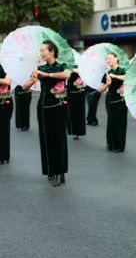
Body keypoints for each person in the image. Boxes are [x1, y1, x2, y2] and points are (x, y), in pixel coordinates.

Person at [22, 40, 71, 186]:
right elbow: (25, 86)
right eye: (40, 50)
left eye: (43, 50)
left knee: (59, 140)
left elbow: (66, 75)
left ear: (52, 52)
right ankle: (50, 170)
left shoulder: (63, 65)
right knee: (46, 140)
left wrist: (47, 75)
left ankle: (60, 172)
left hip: (60, 106)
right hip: (43, 107)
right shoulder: (40, 68)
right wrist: (34, 78)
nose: (41, 53)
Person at [98, 53, 127, 152]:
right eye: (107, 59)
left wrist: (115, 76)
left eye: (110, 58)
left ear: (116, 58)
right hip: (110, 100)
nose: (108, 60)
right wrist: (107, 84)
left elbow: (128, 78)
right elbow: (100, 89)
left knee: (120, 123)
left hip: (121, 100)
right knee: (111, 122)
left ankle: (119, 146)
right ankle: (111, 143)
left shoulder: (122, 70)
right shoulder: (107, 73)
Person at [67, 65, 86, 140]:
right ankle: (72, 130)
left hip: (80, 92)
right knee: (71, 112)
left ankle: (78, 132)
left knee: (80, 113)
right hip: (71, 92)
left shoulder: (84, 62)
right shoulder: (69, 62)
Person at [0, 63, 13, 164]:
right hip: (5, 104)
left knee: (4, 129)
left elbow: (7, 80)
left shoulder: (4, 73)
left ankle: (4, 156)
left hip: (4, 105)